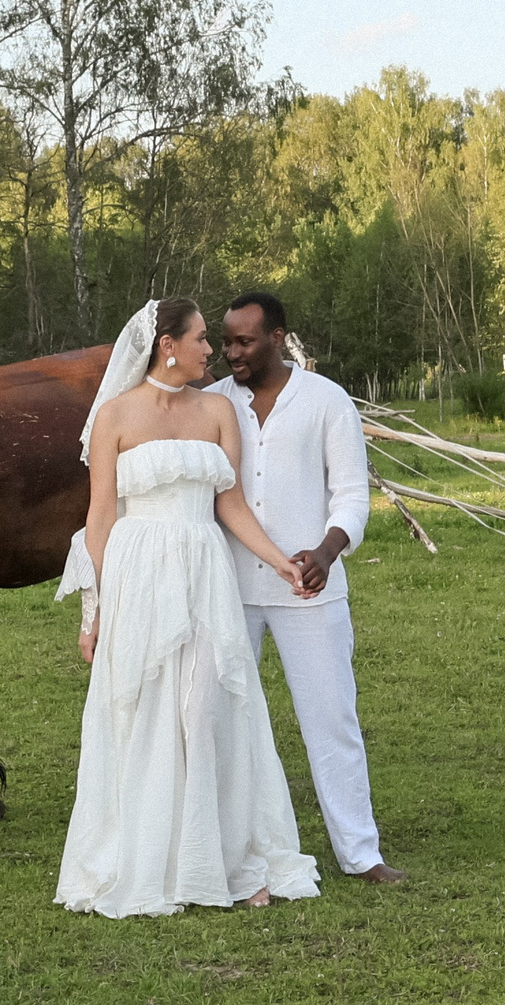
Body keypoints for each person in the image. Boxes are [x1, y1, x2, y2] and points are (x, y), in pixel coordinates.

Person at [52, 298, 323, 918]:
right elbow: (99, 518)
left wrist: (281, 562)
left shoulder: (218, 410)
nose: (214, 351)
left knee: (206, 711)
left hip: (204, 569)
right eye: (202, 339)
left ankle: (225, 861)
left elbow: (230, 505)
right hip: (138, 570)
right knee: (146, 715)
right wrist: (92, 612)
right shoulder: (116, 417)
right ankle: (153, 862)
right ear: (167, 345)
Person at [210, 292, 406, 885]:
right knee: (221, 719)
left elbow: (351, 491)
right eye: (225, 341)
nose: (231, 352)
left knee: (331, 719)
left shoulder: (326, 400)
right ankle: (222, 852)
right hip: (231, 588)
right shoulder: (213, 403)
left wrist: (327, 550)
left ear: (277, 337)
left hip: (308, 589)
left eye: (244, 341)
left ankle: (361, 854)